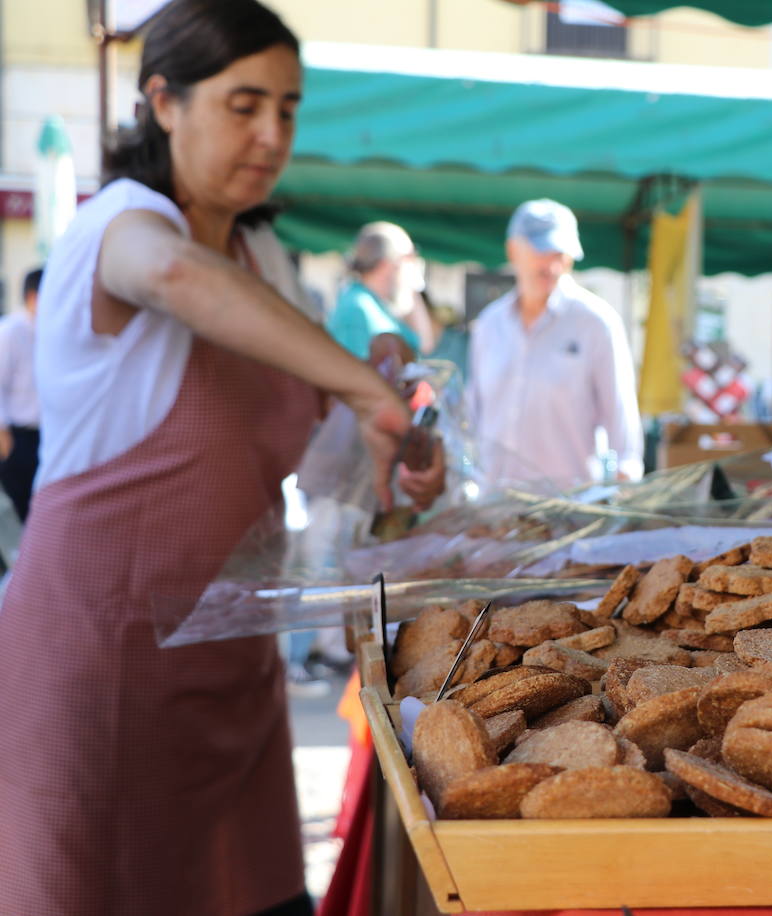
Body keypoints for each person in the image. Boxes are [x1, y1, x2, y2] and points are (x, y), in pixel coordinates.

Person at [0, 2, 444, 914]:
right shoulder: (118, 225)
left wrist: (385, 420)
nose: (272, 133)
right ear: (163, 102)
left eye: (287, 108)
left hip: (231, 664)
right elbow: (170, 277)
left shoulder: (264, 257)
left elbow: (323, 461)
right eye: (243, 105)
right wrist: (361, 387)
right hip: (97, 657)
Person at [467, 199, 643, 490]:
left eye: (561, 253)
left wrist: (625, 486)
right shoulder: (489, 325)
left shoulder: (596, 323)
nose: (551, 264)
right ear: (513, 250)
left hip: (571, 511)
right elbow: (473, 415)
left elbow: (622, 425)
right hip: (495, 508)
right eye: (541, 250)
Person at [327, 221, 436, 359]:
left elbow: (423, 344)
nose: (414, 265)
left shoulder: (375, 303)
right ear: (386, 264)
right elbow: (351, 373)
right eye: (409, 258)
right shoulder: (356, 308)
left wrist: (412, 287)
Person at [0, 267, 43, 520]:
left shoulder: (52, 332)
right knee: (19, 506)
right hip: (18, 435)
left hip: (46, 433)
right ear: (33, 297)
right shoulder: (10, 331)